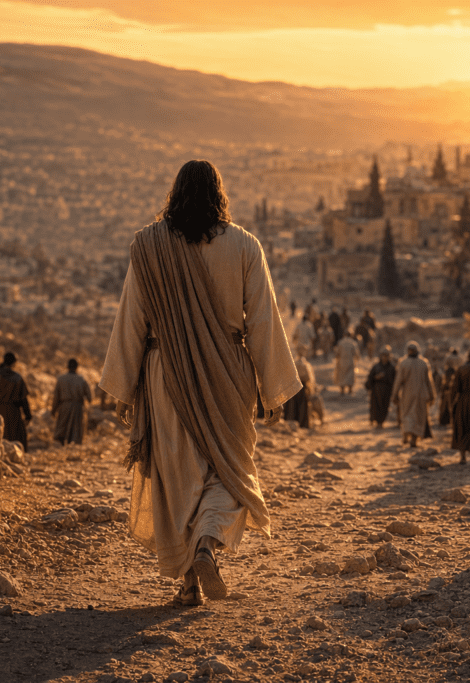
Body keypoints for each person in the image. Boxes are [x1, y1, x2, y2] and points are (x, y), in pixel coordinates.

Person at [100, 159, 300, 607]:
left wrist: (123, 386)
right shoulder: (245, 246)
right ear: (219, 194)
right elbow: (263, 320)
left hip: (163, 372)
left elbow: (131, 317)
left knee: (178, 478)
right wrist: (274, 388)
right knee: (230, 468)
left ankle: (189, 581)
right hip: (229, 373)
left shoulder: (149, 246)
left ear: (175, 193)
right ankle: (208, 542)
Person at [0, 352, 32, 451]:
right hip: (12, 413)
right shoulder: (18, 378)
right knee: (15, 440)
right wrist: (28, 415)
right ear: (14, 363)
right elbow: (24, 400)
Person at [391, 341, 436, 448]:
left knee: (407, 414)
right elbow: (429, 381)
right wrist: (432, 394)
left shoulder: (403, 362)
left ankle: (407, 436)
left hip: (407, 394)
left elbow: (398, 381)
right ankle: (413, 439)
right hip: (421, 394)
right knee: (418, 417)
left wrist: (395, 394)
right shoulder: (423, 363)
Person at [52, 358, 93, 445]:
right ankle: (74, 447)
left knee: (62, 427)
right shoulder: (82, 379)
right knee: (76, 430)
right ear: (77, 367)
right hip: (77, 407)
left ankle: (61, 445)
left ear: (67, 367)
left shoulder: (61, 379)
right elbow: (90, 397)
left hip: (64, 406)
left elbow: (56, 397)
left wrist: (53, 410)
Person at [365, 347, 396, 429]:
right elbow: (370, 378)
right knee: (375, 406)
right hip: (377, 389)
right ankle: (375, 421)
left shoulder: (392, 367)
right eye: (383, 355)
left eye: (386, 356)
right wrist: (376, 378)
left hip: (387, 390)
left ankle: (381, 422)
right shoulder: (376, 366)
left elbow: (394, 379)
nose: (384, 357)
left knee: (384, 406)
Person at [283, 349, 314, 428]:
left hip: (293, 387)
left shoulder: (293, 363)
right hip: (302, 388)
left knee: (292, 406)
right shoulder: (306, 364)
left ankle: (291, 422)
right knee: (302, 407)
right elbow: (308, 378)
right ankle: (303, 424)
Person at [438, 347, 461, 427]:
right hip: (457, 382)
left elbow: (444, 366)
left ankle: (444, 420)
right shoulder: (460, 358)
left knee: (445, 402)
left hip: (448, 382)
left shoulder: (448, 357)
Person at [333, 330, 361, 394]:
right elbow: (356, 353)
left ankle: (342, 390)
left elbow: (337, 352)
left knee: (341, 375)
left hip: (341, 361)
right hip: (350, 360)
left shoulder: (340, 342)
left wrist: (337, 358)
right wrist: (357, 358)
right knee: (350, 375)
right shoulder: (353, 342)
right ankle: (350, 390)